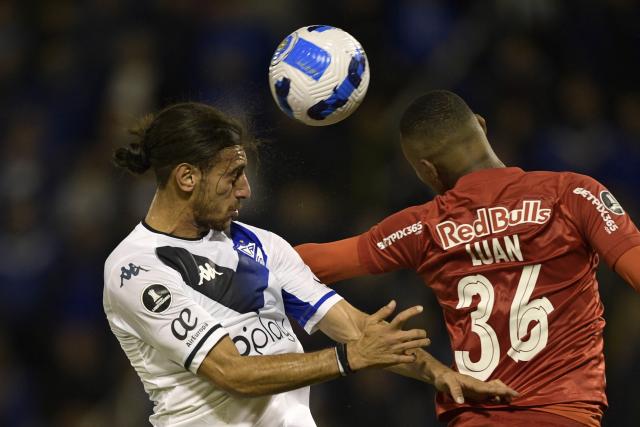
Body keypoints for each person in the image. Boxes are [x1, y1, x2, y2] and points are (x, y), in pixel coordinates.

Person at [103, 102, 516, 427]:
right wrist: (347, 358)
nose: (245, 191)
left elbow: (359, 329)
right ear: (187, 178)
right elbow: (232, 372)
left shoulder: (261, 245)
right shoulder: (136, 268)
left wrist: (442, 375)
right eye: (233, 176)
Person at [295, 90, 640, 427]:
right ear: (481, 125)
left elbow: (304, 262)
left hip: (475, 417)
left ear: (427, 170)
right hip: (564, 414)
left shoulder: (422, 227)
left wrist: (243, 241)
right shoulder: (573, 193)